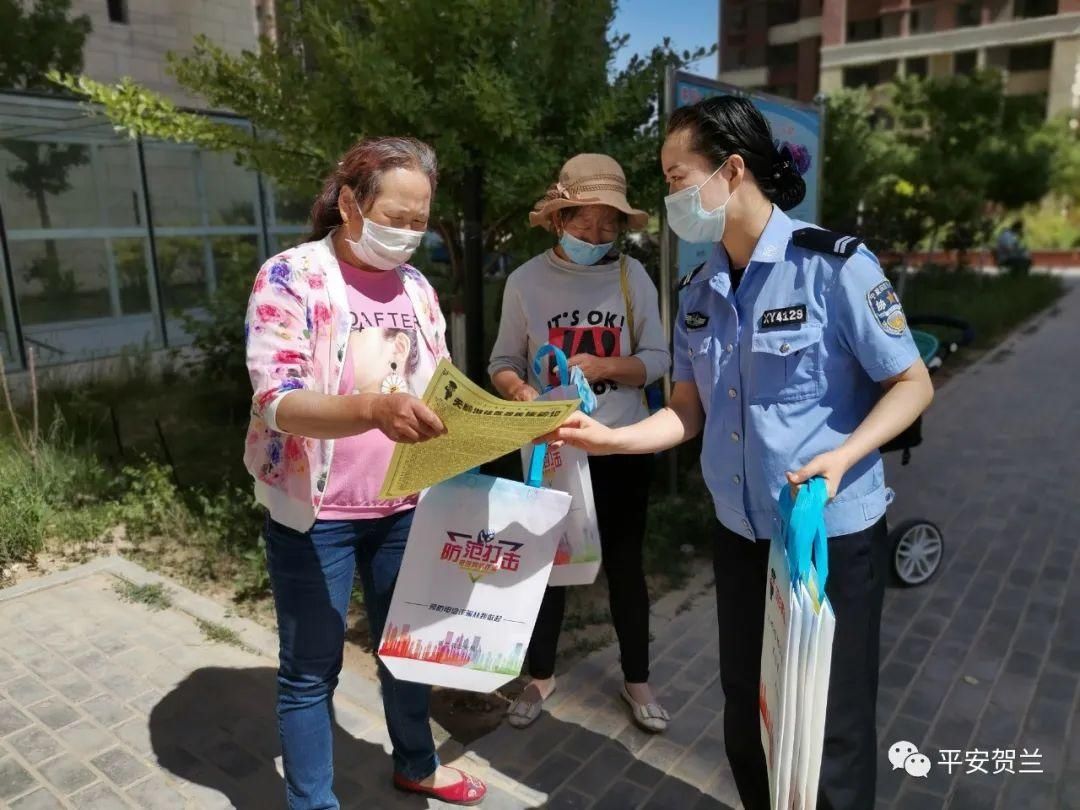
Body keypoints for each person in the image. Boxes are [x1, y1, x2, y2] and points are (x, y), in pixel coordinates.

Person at [548, 98, 934, 809]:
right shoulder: (699, 290)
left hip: (826, 536)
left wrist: (845, 456)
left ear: (730, 170)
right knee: (746, 717)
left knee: (830, 731)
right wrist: (611, 439)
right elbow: (685, 412)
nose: (670, 196)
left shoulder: (832, 268)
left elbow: (912, 384)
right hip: (741, 535)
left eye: (676, 177)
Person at [243, 136, 487, 808]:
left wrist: (512, 419)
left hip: (405, 505)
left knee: (405, 651)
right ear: (350, 203)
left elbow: (438, 387)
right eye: (394, 217)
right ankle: (313, 802)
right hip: (314, 512)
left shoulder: (416, 287)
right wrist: (373, 409)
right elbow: (277, 401)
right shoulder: (290, 276)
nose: (406, 234)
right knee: (310, 670)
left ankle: (417, 764)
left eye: (419, 222)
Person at [488, 153, 672, 733]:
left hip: (620, 446)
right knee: (545, 568)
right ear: (558, 218)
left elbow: (659, 360)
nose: (595, 236)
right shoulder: (525, 281)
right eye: (583, 223)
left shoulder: (632, 277)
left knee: (625, 566)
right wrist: (521, 391)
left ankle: (637, 680)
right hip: (552, 450)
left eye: (607, 225)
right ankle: (539, 676)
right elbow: (502, 361)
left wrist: (607, 366)